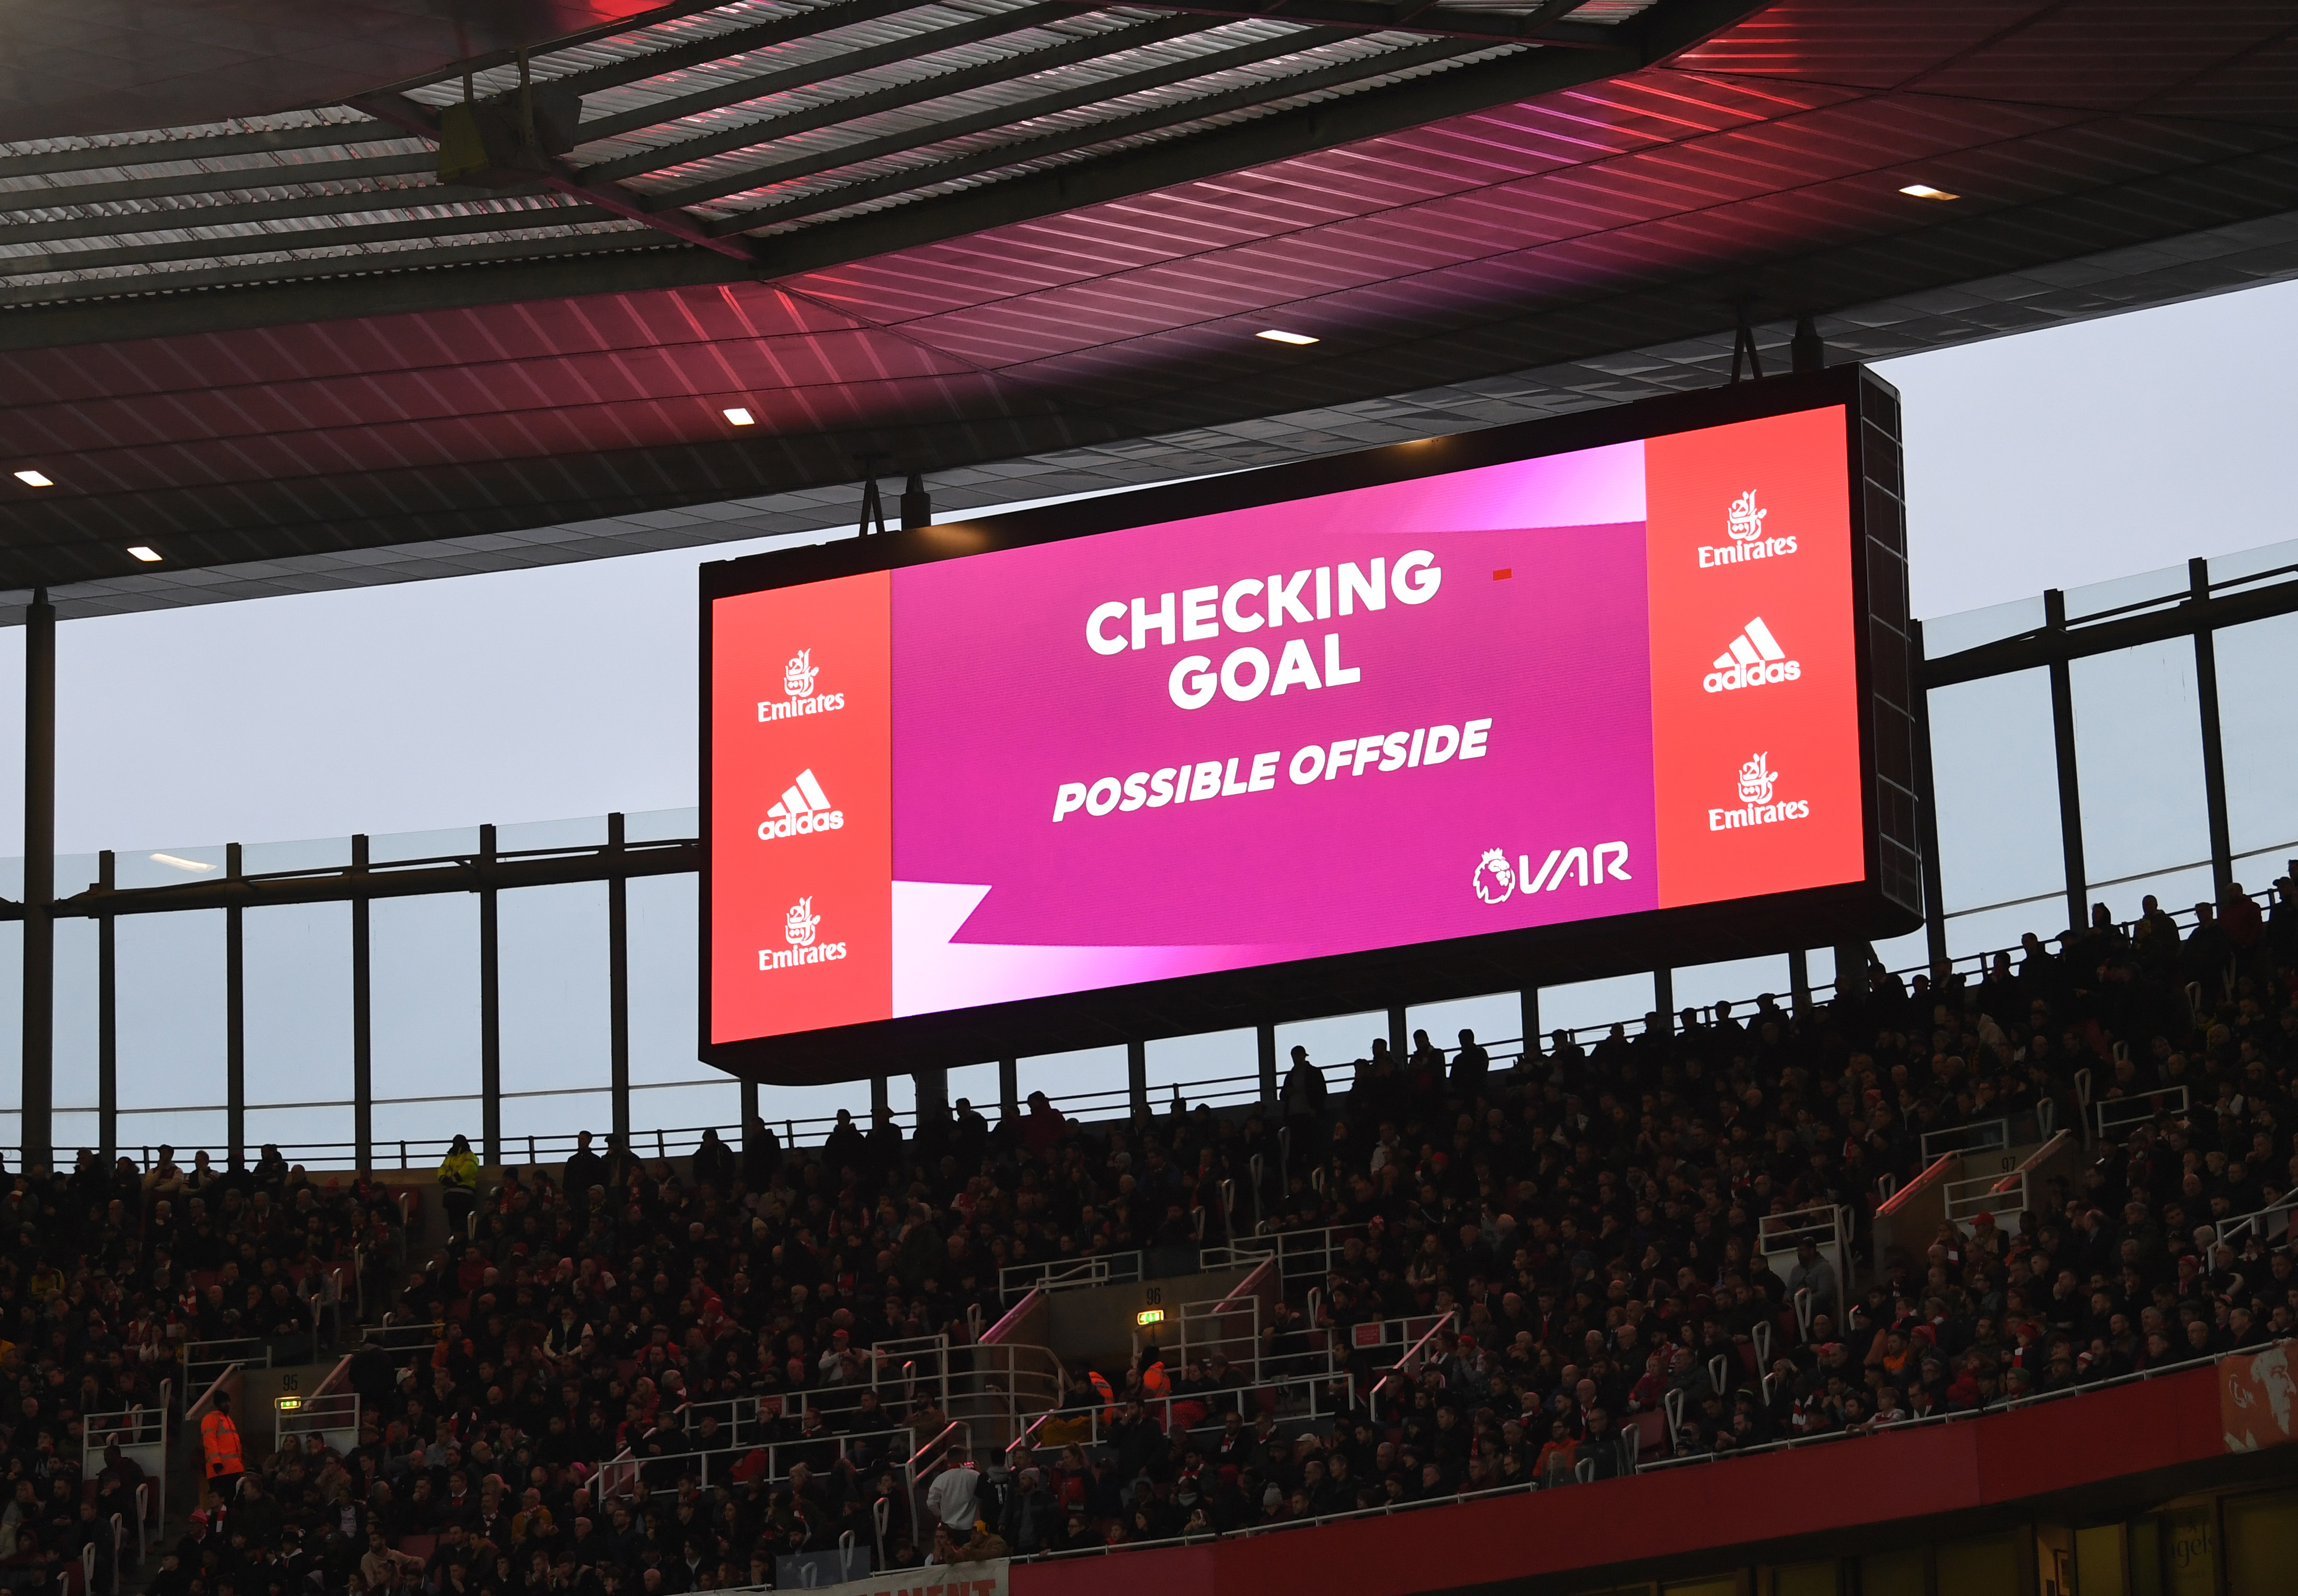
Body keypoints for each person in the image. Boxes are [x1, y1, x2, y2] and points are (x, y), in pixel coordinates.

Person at [199, 1392, 245, 1508]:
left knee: (231, 1503)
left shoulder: (227, 1420)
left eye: (228, 1402)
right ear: (218, 1404)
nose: (228, 1405)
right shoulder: (212, 1419)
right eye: (225, 1402)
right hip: (221, 1470)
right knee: (223, 1504)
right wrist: (216, 1462)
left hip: (232, 1469)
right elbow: (210, 1441)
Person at [437, 1135, 479, 1237]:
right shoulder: (449, 1158)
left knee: (463, 1223)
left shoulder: (470, 1155)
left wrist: (452, 1180)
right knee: (453, 1224)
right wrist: (443, 1178)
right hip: (451, 1196)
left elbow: (470, 1168)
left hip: (464, 1195)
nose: (457, 1143)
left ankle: (463, 1242)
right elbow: (441, 1169)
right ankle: (455, 1241)